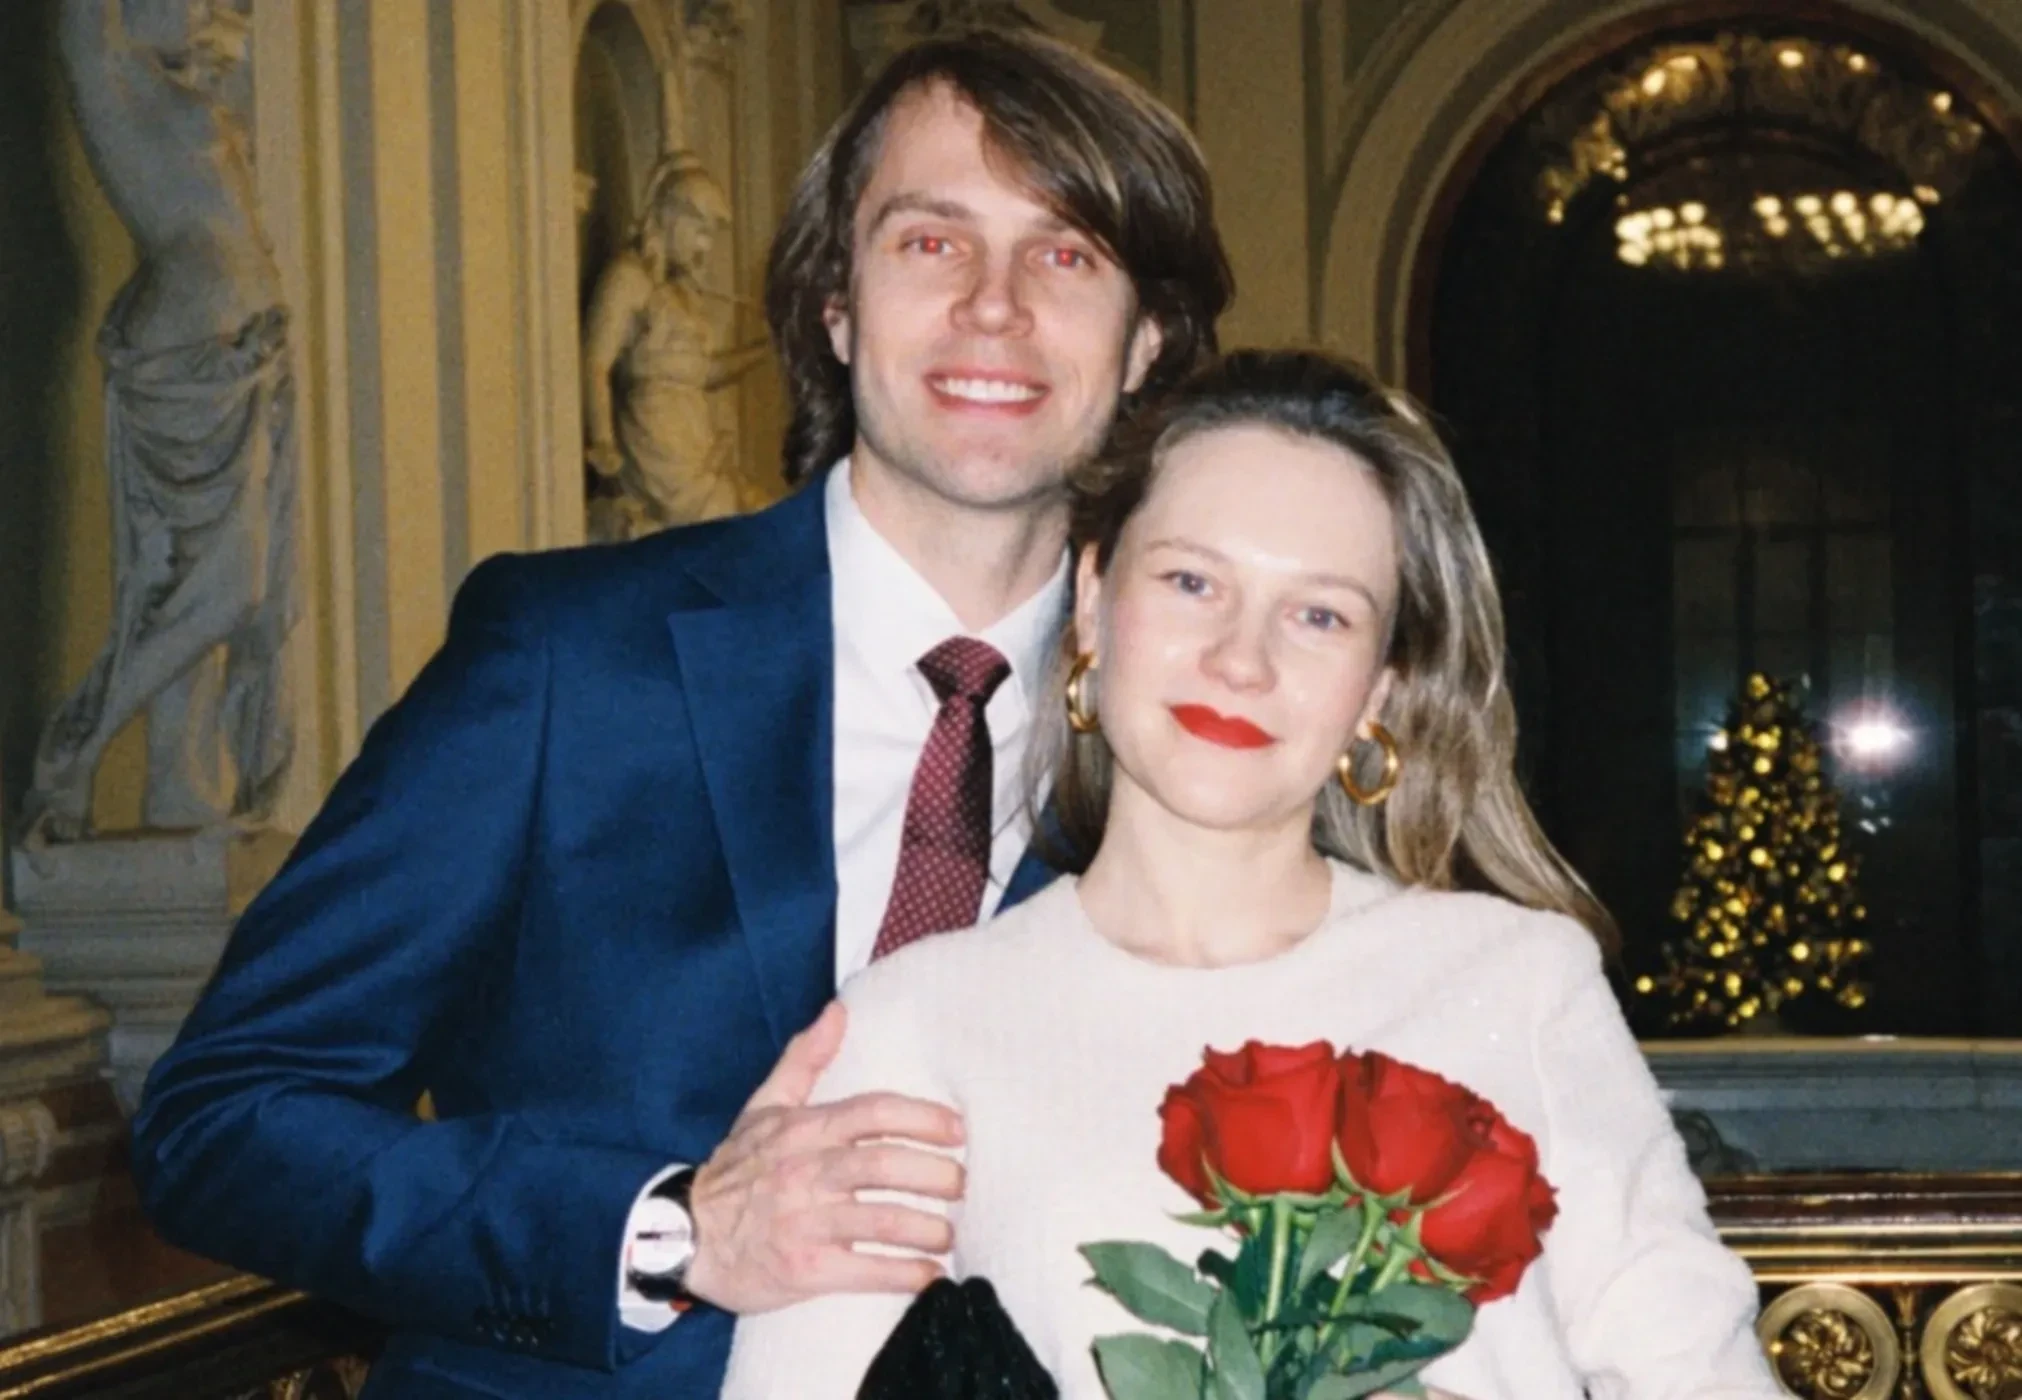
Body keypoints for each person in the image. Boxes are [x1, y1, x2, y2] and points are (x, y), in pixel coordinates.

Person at [129, 27, 1231, 1400]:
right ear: (834, 306)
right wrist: (667, 1234)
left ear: (1145, 341)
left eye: (1064, 253)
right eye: (930, 241)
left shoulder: (1210, 738)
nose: (993, 306)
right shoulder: (569, 661)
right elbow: (222, 1118)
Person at [721, 350, 1785, 1399]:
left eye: (1320, 615)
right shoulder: (917, 1020)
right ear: (1092, 600)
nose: (1242, 659)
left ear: (1379, 687)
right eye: (1192, 582)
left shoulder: (1518, 982)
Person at [29, 0, 296, 842]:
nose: (207, 7)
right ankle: (79, 745)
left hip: (241, 355)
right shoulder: (116, 82)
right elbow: (84, 25)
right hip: (189, 347)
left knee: (193, 583)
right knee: (234, 587)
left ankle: (180, 790)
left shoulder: (193, 95)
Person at [581, 151, 771, 539]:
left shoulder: (679, 293)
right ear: (673, 220)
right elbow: (594, 364)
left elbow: (704, 372)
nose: (706, 247)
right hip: (657, 445)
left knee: (757, 516)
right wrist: (605, 453)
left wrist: (766, 349)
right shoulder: (628, 279)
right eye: (701, 231)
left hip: (693, 439)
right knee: (730, 526)